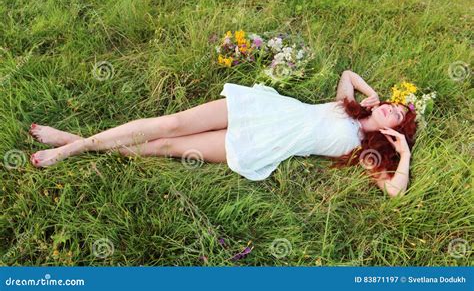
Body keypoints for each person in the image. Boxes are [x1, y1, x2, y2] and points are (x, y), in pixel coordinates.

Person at [29, 70, 417, 197]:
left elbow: (394, 190)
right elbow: (347, 75)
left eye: (396, 115)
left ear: (392, 131)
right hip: (262, 109)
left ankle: (72, 141)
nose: (389, 108)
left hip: (262, 142)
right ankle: (75, 146)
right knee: (170, 123)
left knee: (165, 146)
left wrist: (404, 157)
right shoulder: (345, 105)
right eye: (392, 103)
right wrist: (372, 95)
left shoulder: (364, 149)